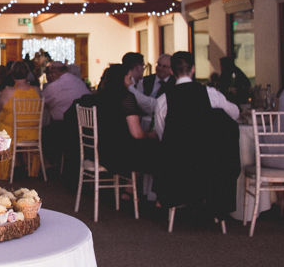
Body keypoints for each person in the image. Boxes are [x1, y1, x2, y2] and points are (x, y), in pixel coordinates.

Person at [154, 51, 240, 221]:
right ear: (193, 69)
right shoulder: (210, 94)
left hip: (177, 169)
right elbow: (235, 113)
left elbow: (162, 133)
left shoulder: (163, 100)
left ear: (171, 71)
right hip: (208, 165)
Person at [93, 64, 160, 175]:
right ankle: (140, 186)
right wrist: (150, 135)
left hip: (101, 151)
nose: (132, 82)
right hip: (119, 155)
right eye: (129, 78)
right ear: (121, 79)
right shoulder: (126, 97)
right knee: (159, 151)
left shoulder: (100, 96)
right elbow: (137, 134)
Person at [0, 61, 41, 180]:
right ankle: (32, 171)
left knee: (2, 127)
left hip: (12, 134)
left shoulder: (8, 91)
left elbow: (0, 108)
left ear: (11, 75)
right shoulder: (36, 90)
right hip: (33, 132)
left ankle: (1, 173)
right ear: (27, 74)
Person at [41, 61, 89, 172]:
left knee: (44, 132)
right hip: (84, 127)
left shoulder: (53, 87)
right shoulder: (79, 82)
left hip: (62, 128)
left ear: (54, 73)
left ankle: (51, 164)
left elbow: (41, 103)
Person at [123, 52, 158, 130]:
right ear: (138, 67)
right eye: (143, 66)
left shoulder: (139, 83)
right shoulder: (128, 85)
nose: (143, 69)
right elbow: (150, 105)